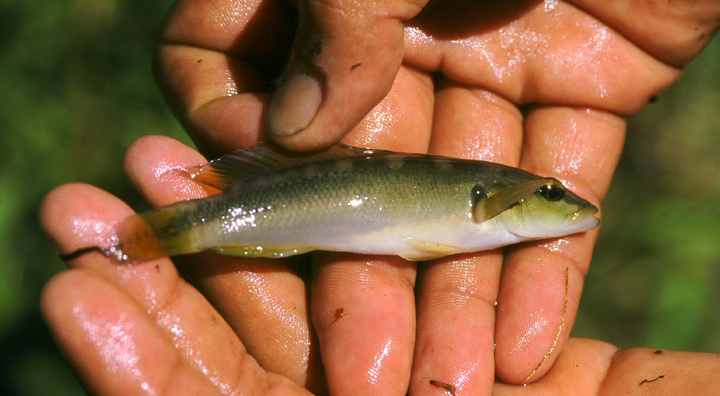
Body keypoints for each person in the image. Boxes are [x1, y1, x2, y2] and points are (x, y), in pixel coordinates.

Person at [41, 0, 720, 395]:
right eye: (550, 195)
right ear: (507, 198)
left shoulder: (502, 203)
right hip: (285, 194)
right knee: (214, 220)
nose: (568, 209)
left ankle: (147, 238)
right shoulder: (493, 199)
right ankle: (147, 238)